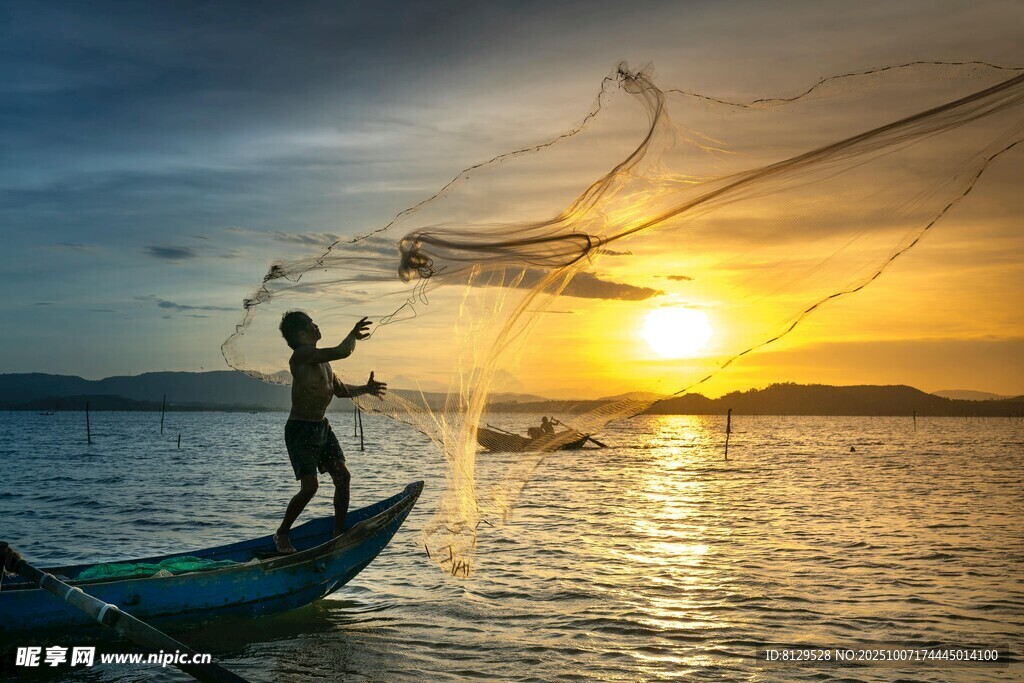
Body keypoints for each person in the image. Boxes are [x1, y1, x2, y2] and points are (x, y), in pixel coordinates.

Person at [273, 311, 387, 554]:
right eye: (311, 324)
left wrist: (366, 389)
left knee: (343, 477)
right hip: (300, 429)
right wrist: (353, 335)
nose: (316, 326)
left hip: (322, 427)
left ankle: (338, 532)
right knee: (310, 487)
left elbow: (341, 391)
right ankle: (282, 533)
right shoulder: (302, 355)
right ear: (301, 333)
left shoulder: (324, 362)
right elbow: (343, 351)